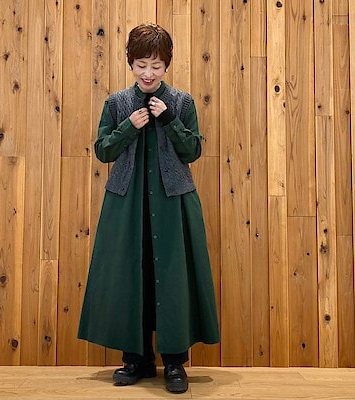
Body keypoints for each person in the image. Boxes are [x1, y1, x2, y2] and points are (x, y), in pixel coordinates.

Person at [78, 23, 220, 394]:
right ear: (130, 62)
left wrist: (169, 119)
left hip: (174, 203)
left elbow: (193, 151)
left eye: (156, 66)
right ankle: (135, 360)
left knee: (173, 279)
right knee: (131, 277)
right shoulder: (116, 103)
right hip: (126, 204)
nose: (148, 73)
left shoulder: (182, 103)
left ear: (166, 65)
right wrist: (128, 126)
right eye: (141, 65)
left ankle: (174, 363)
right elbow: (103, 150)